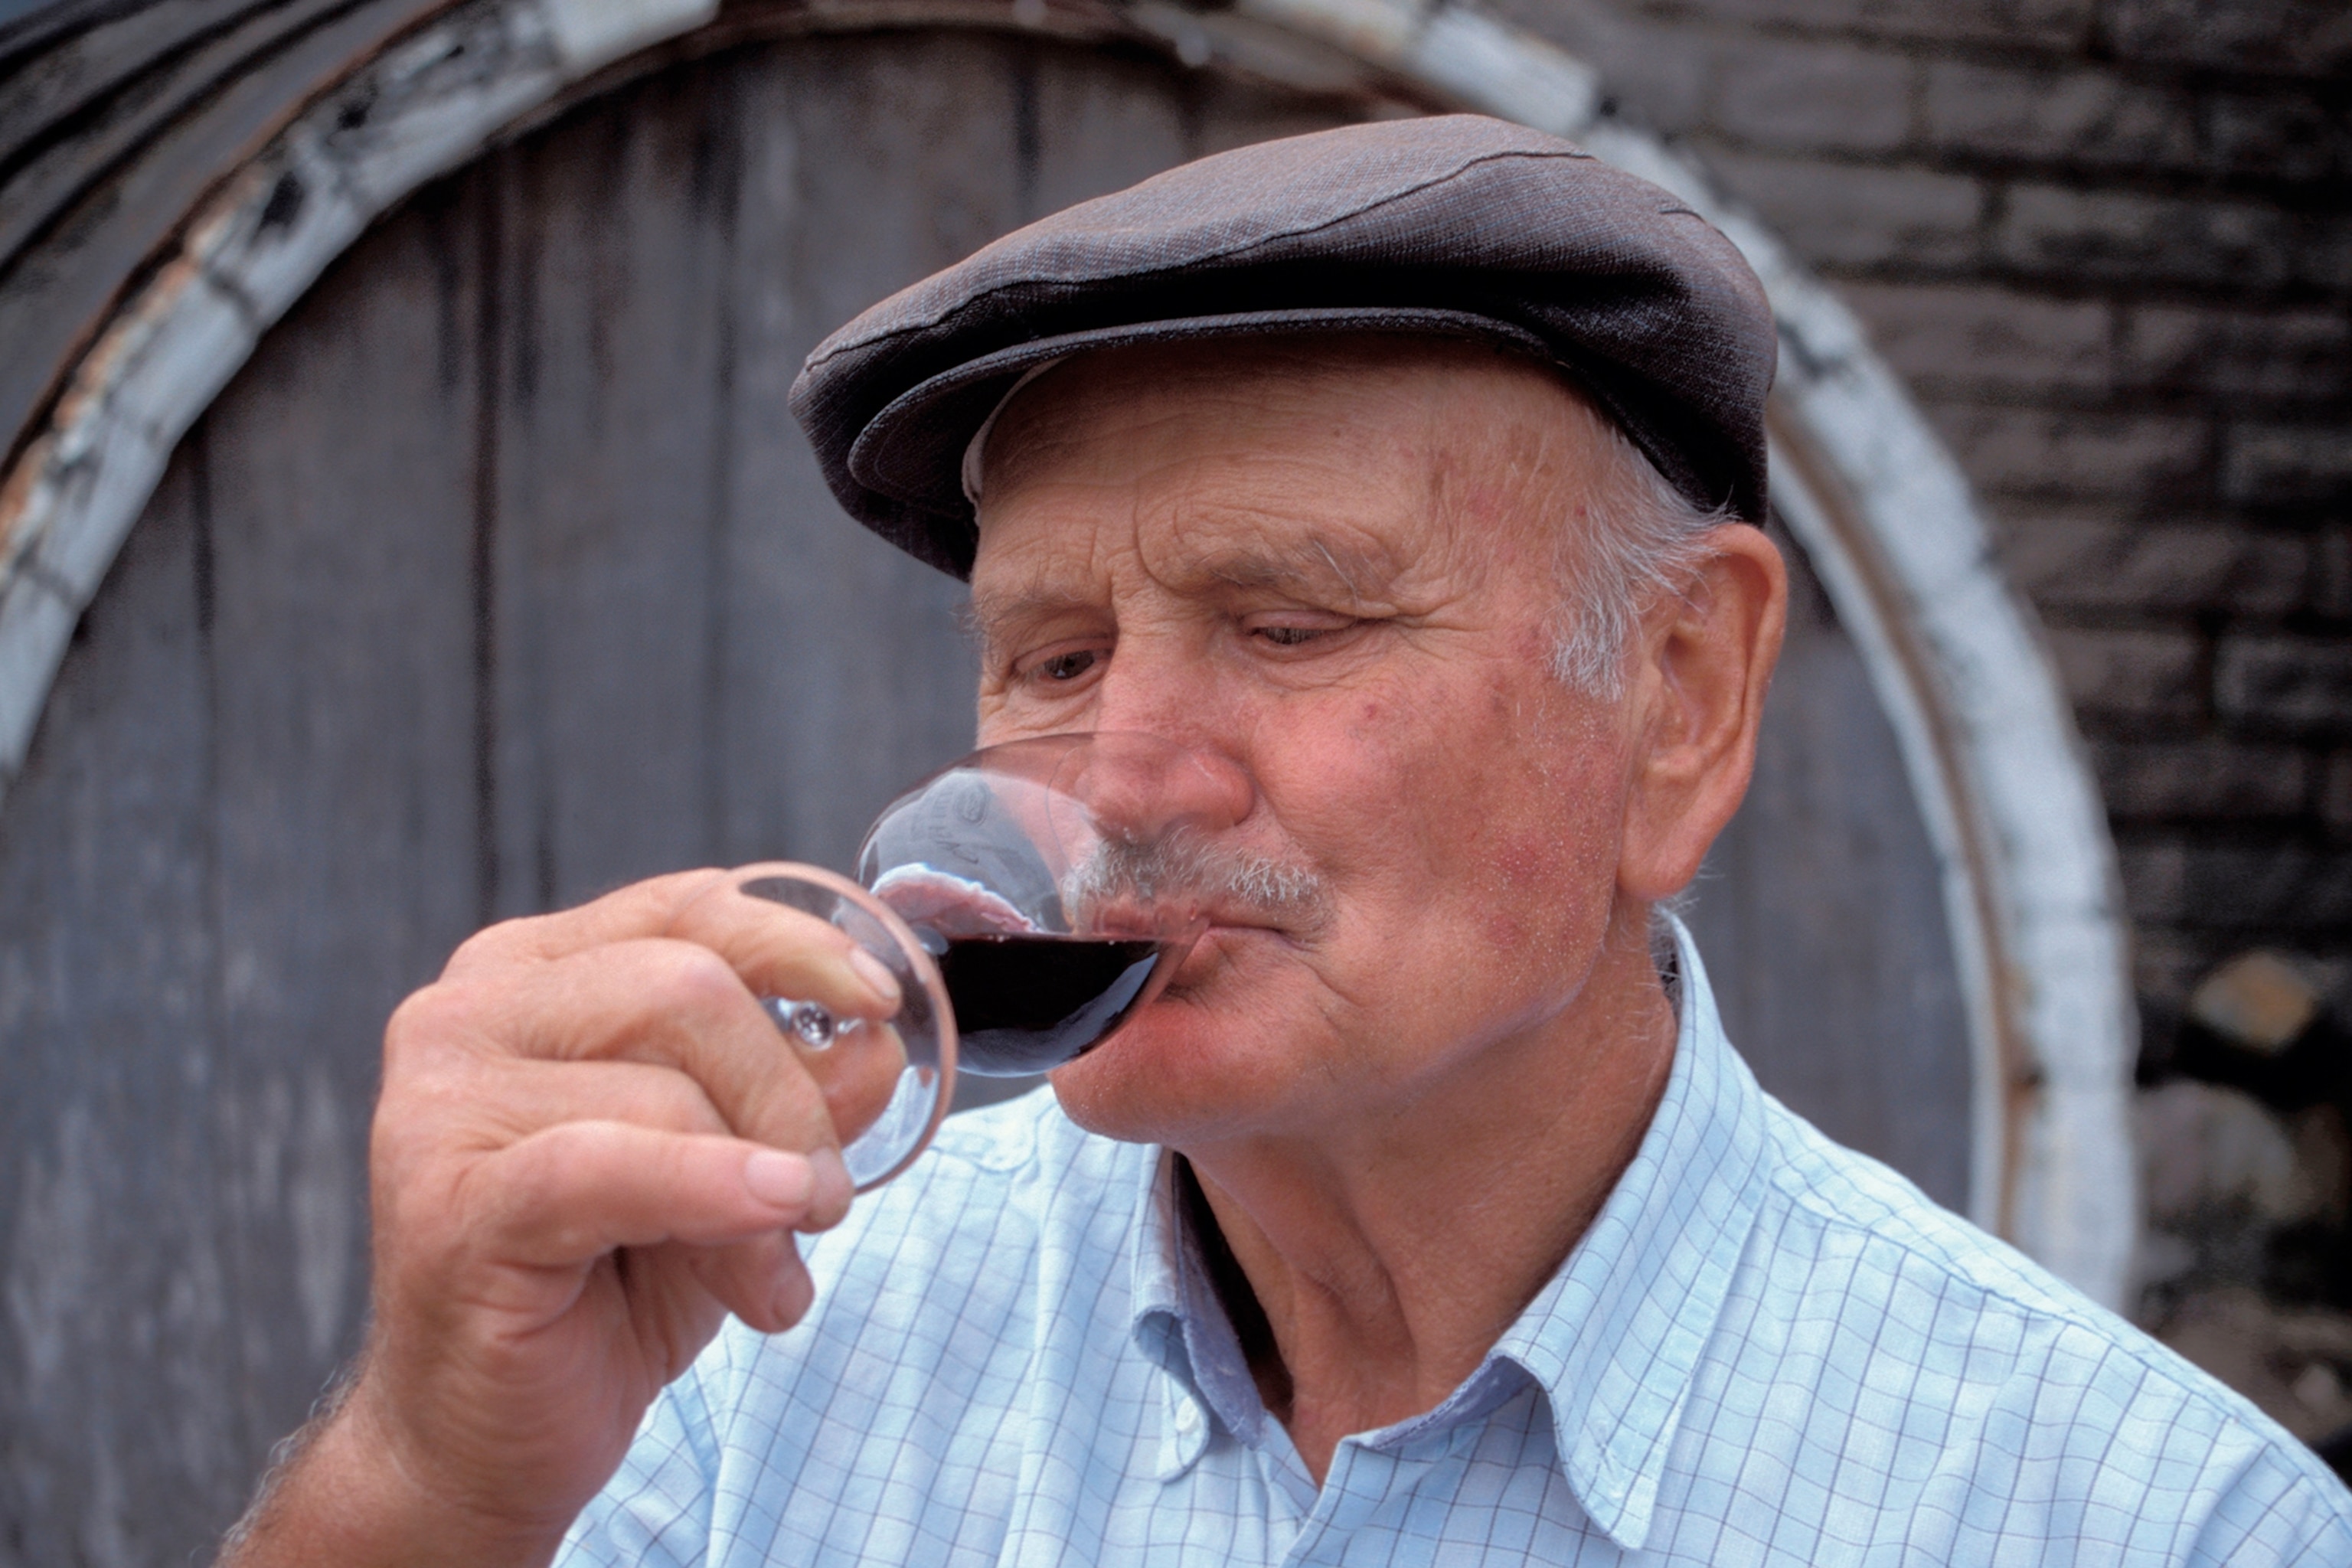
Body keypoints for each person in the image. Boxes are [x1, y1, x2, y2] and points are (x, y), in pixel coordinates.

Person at [220, 116, 2351, 1566]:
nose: (1125, 774)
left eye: (1292, 622)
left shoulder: (2133, 1520)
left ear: (1682, 698)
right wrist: (424, 1481)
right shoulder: (773, 1329)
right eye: (1052, 656)